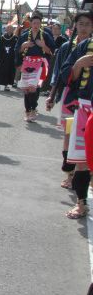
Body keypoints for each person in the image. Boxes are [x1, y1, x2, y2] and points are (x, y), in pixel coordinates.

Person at [47, 11, 93, 190]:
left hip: (88, 99)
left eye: (87, 24)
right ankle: (69, 174)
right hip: (70, 98)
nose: (83, 27)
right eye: (80, 24)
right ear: (75, 26)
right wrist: (52, 96)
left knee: (86, 138)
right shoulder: (66, 47)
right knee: (69, 137)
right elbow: (59, 73)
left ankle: (85, 174)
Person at [60, 19, 93, 219]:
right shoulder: (83, 47)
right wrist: (79, 64)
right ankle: (81, 204)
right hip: (85, 107)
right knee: (82, 161)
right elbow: (66, 74)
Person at [14, 12, 55, 122]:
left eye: (38, 23)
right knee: (27, 89)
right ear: (31, 23)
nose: (36, 25)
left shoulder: (45, 35)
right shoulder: (24, 35)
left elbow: (52, 51)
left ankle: (33, 109)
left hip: (39, 64)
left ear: (40, 24)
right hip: (27, 63)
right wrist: (24, 46)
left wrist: (43, 45)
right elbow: (17, 50)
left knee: (33, 88)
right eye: (34, 23)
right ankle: (28, 110)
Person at [0, 24, 18, 91]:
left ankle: (7, 86)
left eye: (11, 28)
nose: (9, 30)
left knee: (10, 71)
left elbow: (17, 48)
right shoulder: (2, 38)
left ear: (13, 30)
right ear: (6, 29)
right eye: (8, 28)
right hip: (3, 58)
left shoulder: (15, 38)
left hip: (11, 58)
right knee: (0, 71)